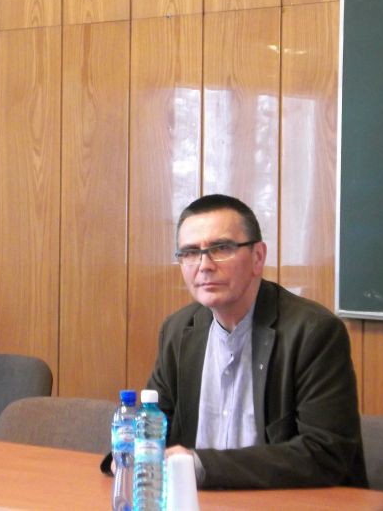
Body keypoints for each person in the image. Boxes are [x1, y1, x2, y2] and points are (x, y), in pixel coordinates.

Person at [145, 194, 367, 489]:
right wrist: (131, 454)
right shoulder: (178, 330)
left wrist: (201, 465)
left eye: (221, 248)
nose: (204, 265)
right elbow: (152, 425)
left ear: (258, 257)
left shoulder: (313, 332)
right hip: (198, 500)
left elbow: (324, 453)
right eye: (190, 252)